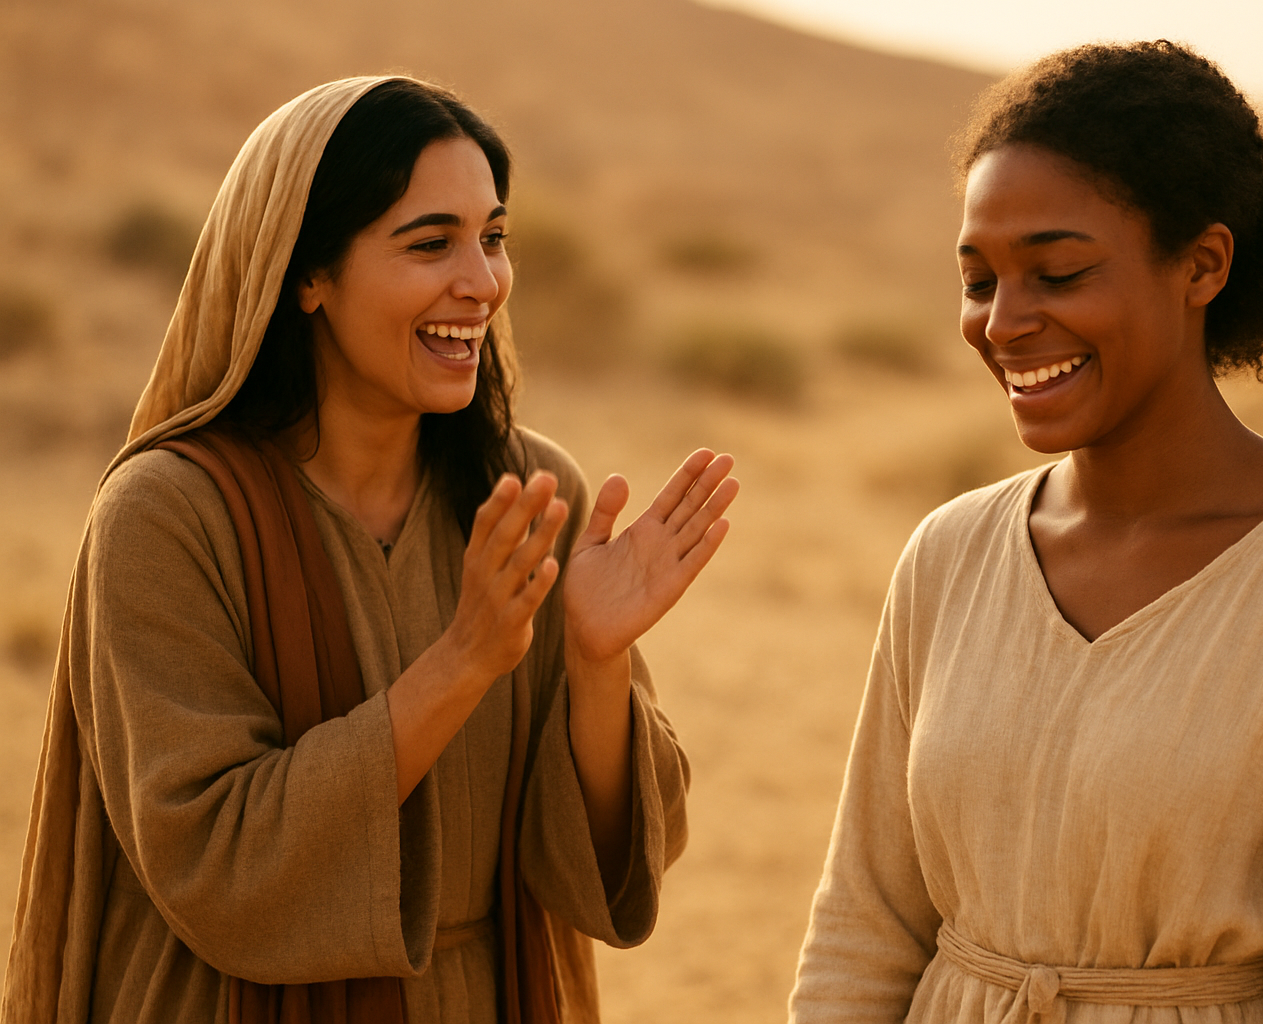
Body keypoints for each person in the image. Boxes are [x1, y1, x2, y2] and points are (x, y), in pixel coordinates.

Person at [3, 77, 737, 1024]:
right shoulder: (167, 516)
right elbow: (216, 859)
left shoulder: (527, 493)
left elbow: (598, 873)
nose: (481, 282)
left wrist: (596, 666)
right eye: (431, 243)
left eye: (494, 237)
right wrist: (466, 661)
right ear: (306, 274)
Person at [790, 41, 1263, 1024]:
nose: (1004, 321)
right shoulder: (948, 556)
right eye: (980, 279)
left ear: (1201, 266)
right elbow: (863, 930)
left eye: (1059, 272)